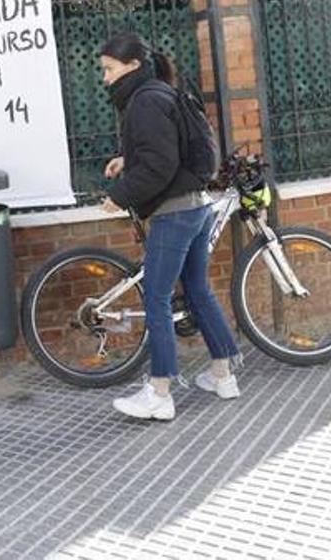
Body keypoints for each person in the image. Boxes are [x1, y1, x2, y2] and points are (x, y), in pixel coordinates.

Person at [99, 33, 241, 421]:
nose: (106, 78)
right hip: (197, 207)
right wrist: (126, 159)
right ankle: (223, 375)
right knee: (197, 290)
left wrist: (120, 195)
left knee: (157, 299)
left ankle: (160, 392)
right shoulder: (161, 93)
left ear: (131, 67)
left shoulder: (144, 101)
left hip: (174, 213)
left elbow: (160, 165)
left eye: (109, 69)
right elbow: (168, 151)